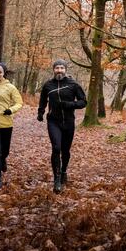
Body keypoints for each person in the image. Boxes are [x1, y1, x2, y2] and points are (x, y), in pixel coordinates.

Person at [37, 59, 87, 193]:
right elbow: (43, 99)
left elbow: (83, 102)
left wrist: (70, 104)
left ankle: (64, 170)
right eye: (57, 68)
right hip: (53, 121)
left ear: (65, 70)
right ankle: (57, 179)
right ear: (53, 70)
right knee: (56, 147)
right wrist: (40, 112)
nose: (59, 70)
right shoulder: (48, 85)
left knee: (65, 151)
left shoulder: (73, 84)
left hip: (69, 122)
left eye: (61, 68)